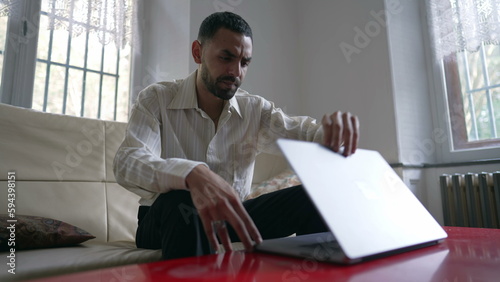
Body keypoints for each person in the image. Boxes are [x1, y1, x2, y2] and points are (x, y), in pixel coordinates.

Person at [113, 11, 359, 260]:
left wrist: (332, 129)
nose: (235, 71)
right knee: (184, 200)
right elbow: (127, 162)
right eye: (226, 57)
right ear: (198, 52)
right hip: (166, 217)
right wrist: (189, 174)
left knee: (314, 197)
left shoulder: (256, 109)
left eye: (244, 63)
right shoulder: (156, 98)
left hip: (233, 216)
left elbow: (308, 137)